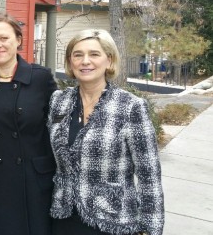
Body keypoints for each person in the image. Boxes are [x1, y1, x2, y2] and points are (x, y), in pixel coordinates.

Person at [48, 29, 164, 235]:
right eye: (78, 55)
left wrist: (150, 229)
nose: (85, 61)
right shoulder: (59, 101)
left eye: (94, 54)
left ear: (109, 61)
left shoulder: (130, 106)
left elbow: (149, 176)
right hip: (64, 219)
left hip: (113, 221)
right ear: (70, 62)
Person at [0, 13, 57, 235]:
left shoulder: (41, 78)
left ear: (18, 40)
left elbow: (59, 127)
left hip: (34, 177)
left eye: (4, 38)